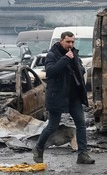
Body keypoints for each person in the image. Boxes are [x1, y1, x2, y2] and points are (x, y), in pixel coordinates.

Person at [32, 31, 94, 164]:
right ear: (61, 41)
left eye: (72, 42)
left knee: (81, 124)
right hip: (57, 97)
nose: (70, 44)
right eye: (68, 42)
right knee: (53, 126)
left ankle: (83, 154)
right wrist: (65, 59)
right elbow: (51, 72)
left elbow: (79, 70)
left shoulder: (74, 54)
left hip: (74, 96)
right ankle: (38, 147)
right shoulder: (52, 55)